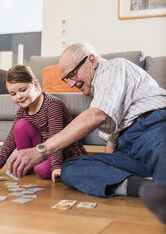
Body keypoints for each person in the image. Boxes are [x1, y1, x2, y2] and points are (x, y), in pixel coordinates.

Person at [8, 43, 166, 222]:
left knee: (162, 152)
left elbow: (96, 115)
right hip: (128, 148)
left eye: (72, 74)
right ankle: (147, 186)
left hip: (152, 124)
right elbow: (112, 141)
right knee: (70, 168)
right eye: (66, 78)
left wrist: (41, 150)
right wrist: (107, 167)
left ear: (92, 60)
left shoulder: (115, 67)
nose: (71, 83)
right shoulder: (98, 94)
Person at [0, 65, 87, 182]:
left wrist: (56, 166)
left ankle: (49, 164)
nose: (19, 96)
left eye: (23, 90)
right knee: (20, 125)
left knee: (43, 171)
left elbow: (56, 137)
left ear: (35, 85)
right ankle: (27, 165)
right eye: (13, 94)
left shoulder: (52, 105)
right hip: (42, 149)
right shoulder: (22, 111)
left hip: (61, 148)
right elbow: (10, 141)